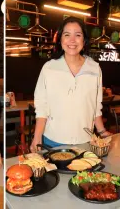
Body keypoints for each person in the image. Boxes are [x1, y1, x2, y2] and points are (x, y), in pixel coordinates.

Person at [30, 16, 112, 153]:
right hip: (53, 140)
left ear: (84, 40)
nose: (72, 40)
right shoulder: (49, 68)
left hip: (85, 140)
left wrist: (102, 131)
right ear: (60, 39)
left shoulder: (94, 68)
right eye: (67, 35)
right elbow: (42, 105)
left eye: (78, 35)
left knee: (84, 174)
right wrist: (37, 136)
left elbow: (95, 105)